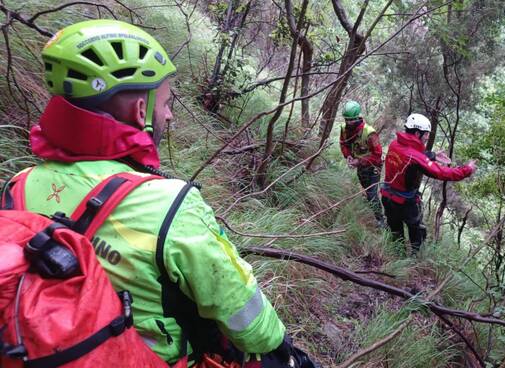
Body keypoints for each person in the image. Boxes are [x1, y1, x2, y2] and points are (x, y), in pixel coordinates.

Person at [2, 19, 315, 367]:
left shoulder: (20, 184)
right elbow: (250, 322)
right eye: (166, 103)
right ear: (140, 111)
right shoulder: (171, 204)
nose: (168, 114)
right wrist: (282, 349)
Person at [381, 113, 476, 255]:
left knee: (395, 232)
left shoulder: (395, 144)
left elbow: (410, 155)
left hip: (387, 197)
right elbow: (441, 172)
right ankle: (415, 259)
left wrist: (432, 155)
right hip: (405, 203)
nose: (427, 137)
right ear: (418, 133)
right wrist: (467, 170)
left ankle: (397, 259)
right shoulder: (415, 156)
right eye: (426, 134)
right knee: (417, 231)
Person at [339, 100, 385, 227]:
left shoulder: (370, 133)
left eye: (351, 120)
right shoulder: (344, 129)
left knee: (371, 194)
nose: (348, 122)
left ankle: (380, 220)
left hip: (373, 167)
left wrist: (359, 161)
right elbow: (343, 143)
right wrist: (347, 155)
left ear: (357, 117)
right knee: (366, 189)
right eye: (346, 119)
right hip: (359, 166)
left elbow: (377, 155)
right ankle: (372, 206)